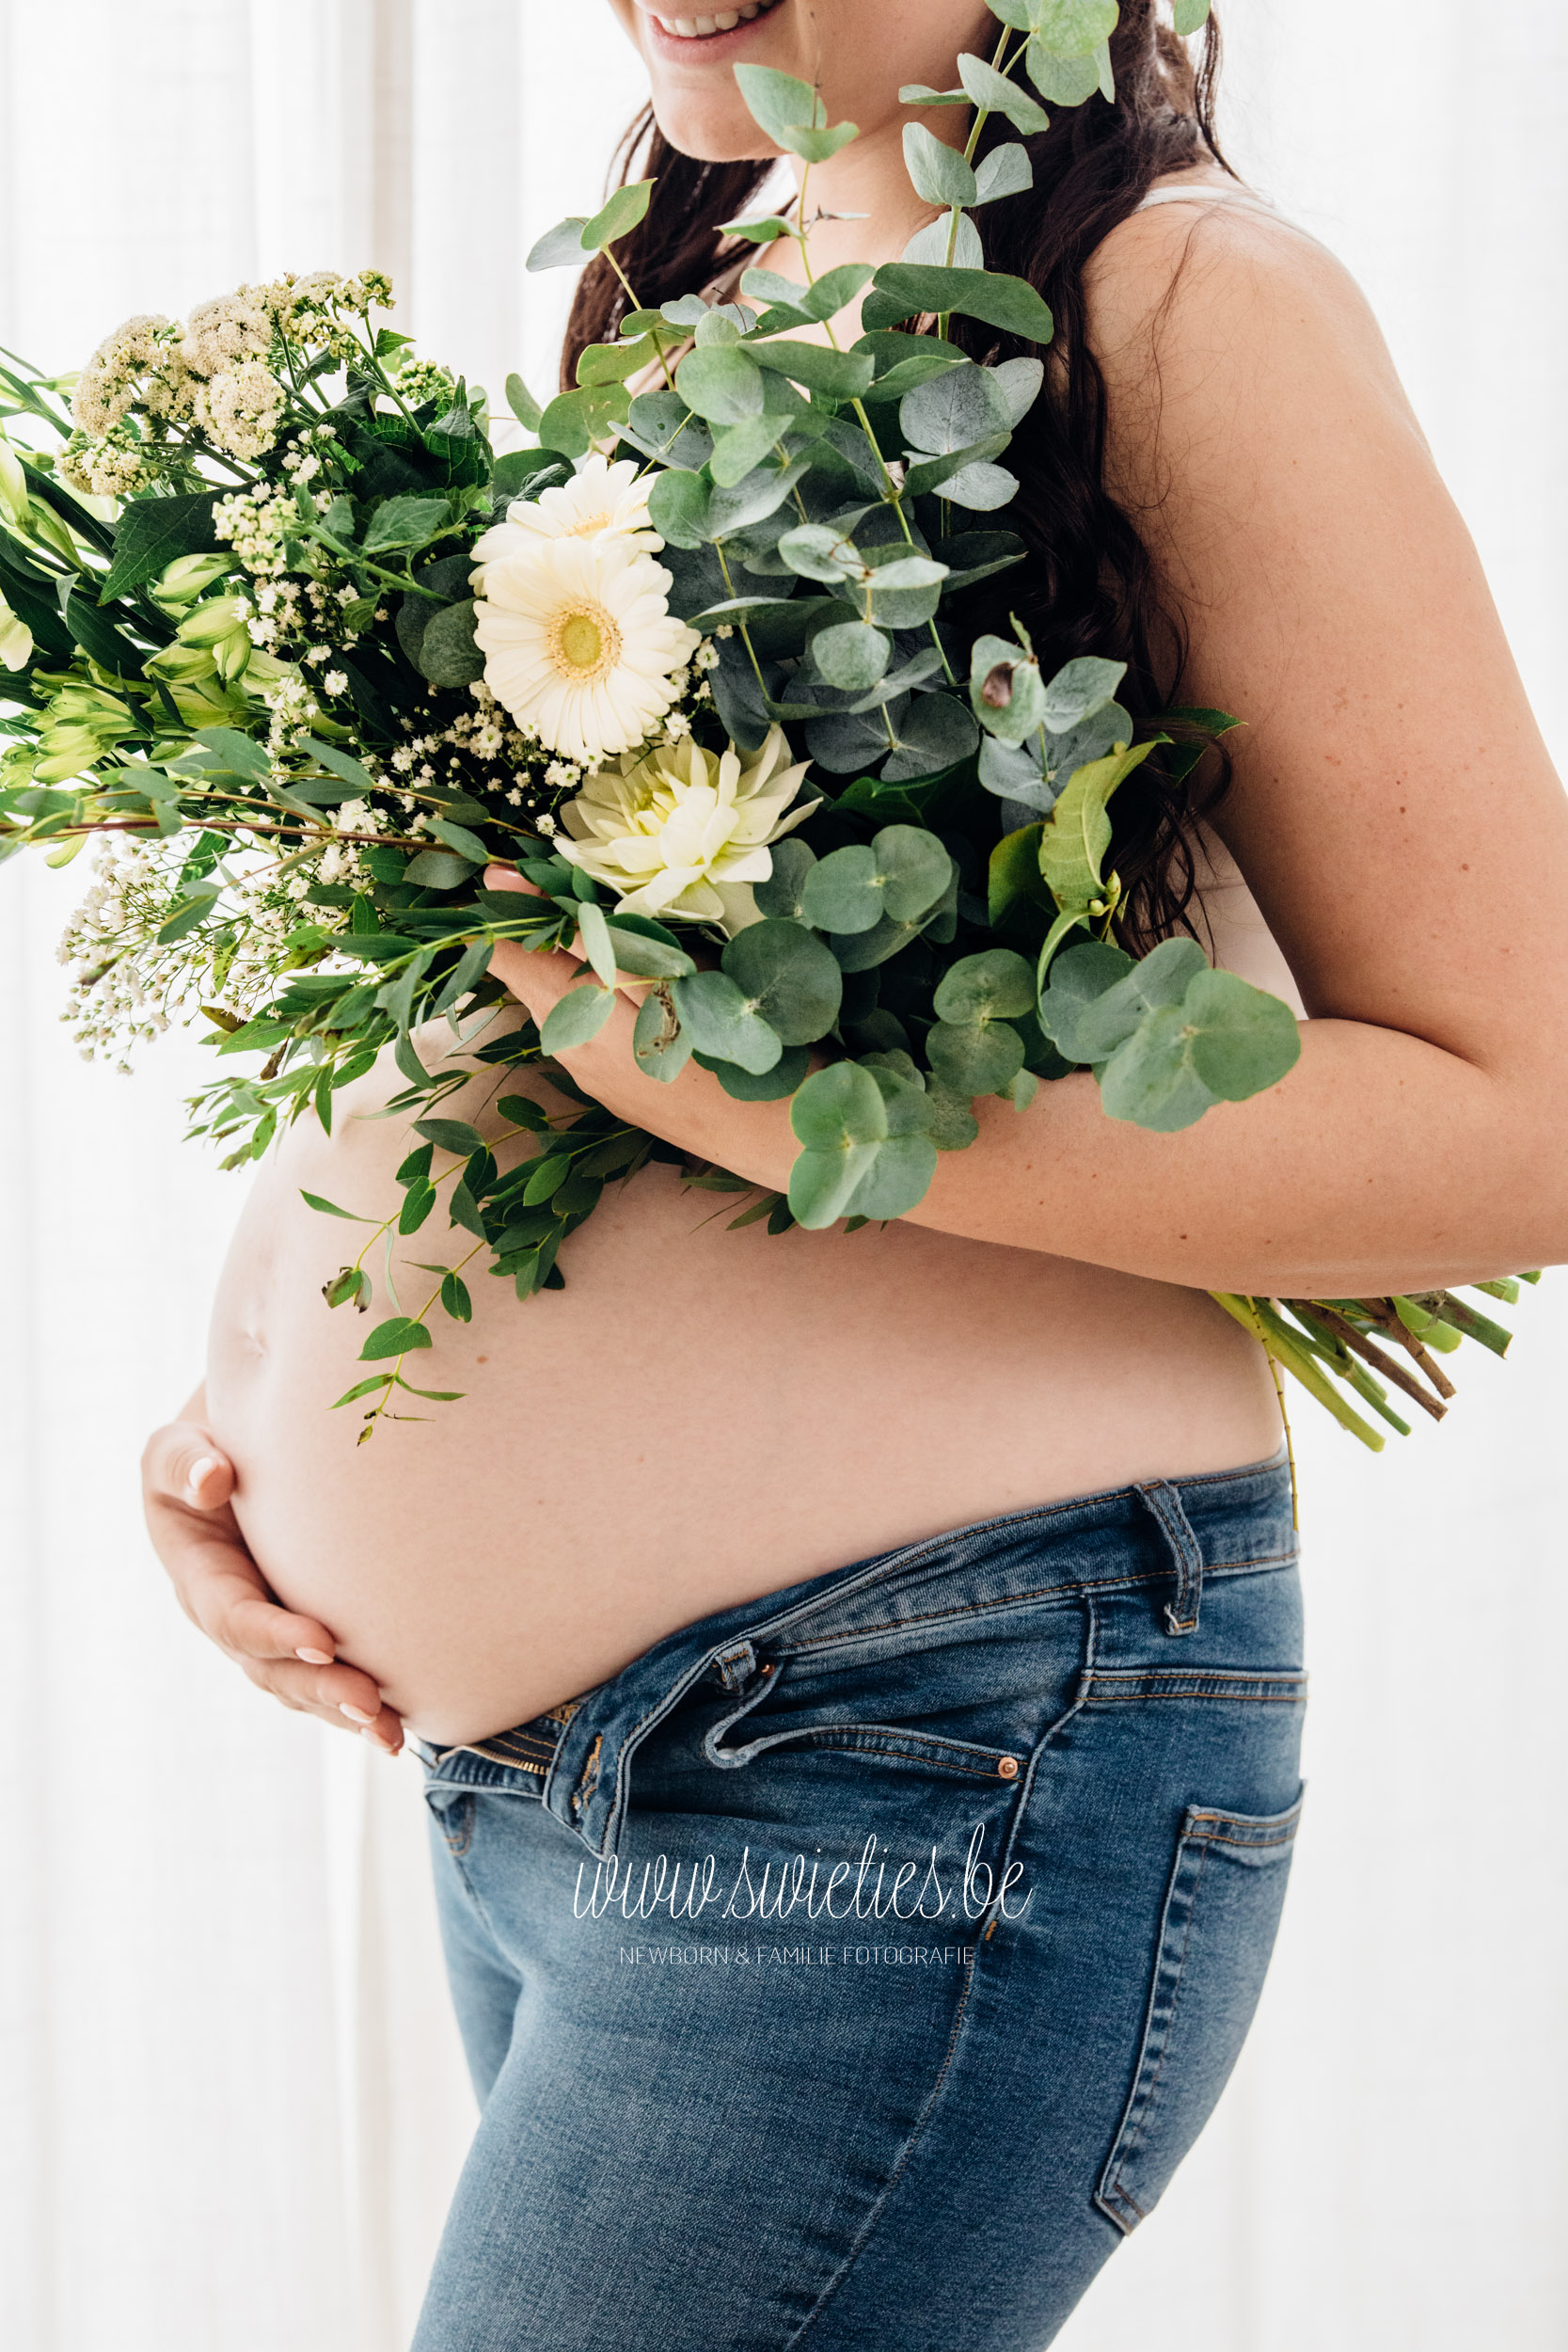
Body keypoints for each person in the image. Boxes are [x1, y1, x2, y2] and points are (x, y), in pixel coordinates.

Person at [140, 3, 1568, 2344]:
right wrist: (258, 1405)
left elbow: (1535, 1112)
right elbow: (538, 975)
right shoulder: (703, 273)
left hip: (916, 1752)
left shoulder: (1186, 308)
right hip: (545, 1786)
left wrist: (770, 1102)